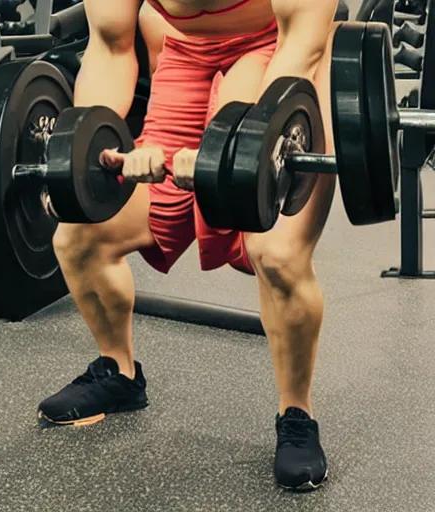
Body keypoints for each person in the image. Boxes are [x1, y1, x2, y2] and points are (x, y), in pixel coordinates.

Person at [39, 0, 338, 491]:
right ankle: (118, 371)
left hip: (283, 54)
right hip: (184, 58)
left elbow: (301, 44)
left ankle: (296, 414)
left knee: (278, 256)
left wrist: (234, 153)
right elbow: (111, 47)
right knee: (78, 236)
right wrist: (89, 153)